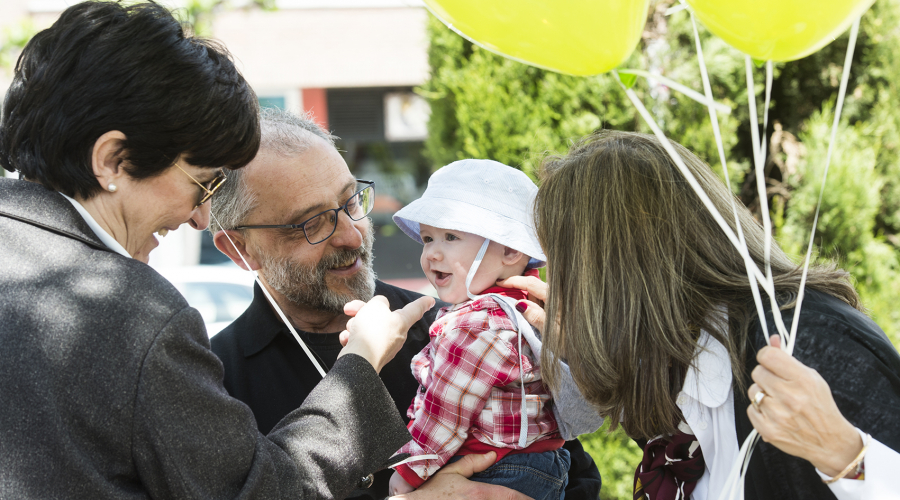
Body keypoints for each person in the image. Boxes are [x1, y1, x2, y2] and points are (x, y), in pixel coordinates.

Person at [0, 3, 431, 498]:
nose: (200, 218)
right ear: (112, 161)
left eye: (351, 201)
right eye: (202, 185)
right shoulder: (131, 312)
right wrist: (360, 363)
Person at [208, 107, 603, 500]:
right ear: (239, 249)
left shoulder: (457, 325)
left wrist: (578, 363)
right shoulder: (215, 384)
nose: (352, 235)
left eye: (352, 202)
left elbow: (577, 479)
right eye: (312, 223)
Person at [500, 130, 900, 500]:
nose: (560, 286)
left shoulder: (803, 343)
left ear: (617, 274)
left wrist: (846, 458)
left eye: (563, 265)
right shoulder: (676, 379)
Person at [387, 160, 573, 499]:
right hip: (540, 464)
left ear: (510, 249)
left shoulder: (478, 323)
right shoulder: (526, 306)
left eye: (451, 236)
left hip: (498, 469)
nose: (432, 253)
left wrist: (408, 472)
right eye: (428, 239)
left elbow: (446, 410)